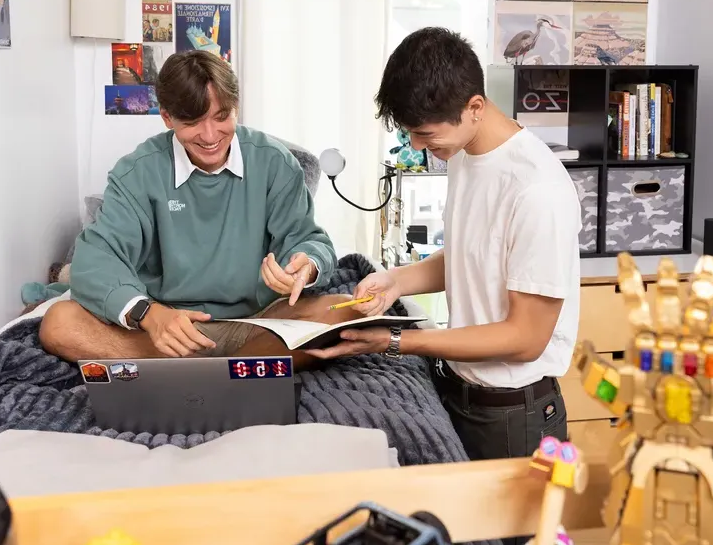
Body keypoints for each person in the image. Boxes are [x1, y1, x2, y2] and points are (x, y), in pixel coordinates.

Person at [305, 28, 582, 460]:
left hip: (511, 416)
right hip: (458, 392)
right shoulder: (466, 154)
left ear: (475, 107)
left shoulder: (537, 190)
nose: (416, 145)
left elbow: (526, 338)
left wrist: (396, 340)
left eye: (424, 133)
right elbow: (474, 257)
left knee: (517, 531)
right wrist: (394, 281)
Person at [40, 50, 358, 365]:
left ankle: (197, 372)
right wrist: (148, 315)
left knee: (347, 311)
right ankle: (240, 369)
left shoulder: (275, 162)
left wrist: (308, 264)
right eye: (193, 122)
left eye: (222, 117)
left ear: (236, 108)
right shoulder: (136, 172)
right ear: (167, 117)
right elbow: (95, 259)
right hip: (165, 326)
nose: (210, 137)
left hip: (260, 320)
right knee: (58, 323)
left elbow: (309, 240)